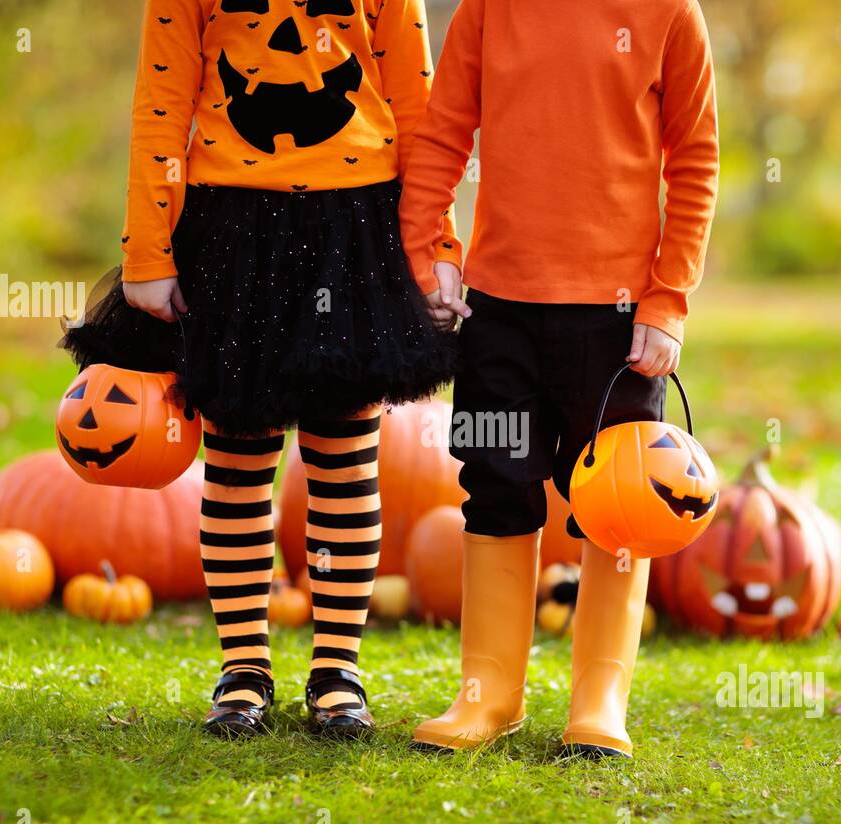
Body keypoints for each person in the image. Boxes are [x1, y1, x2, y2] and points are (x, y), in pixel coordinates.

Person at [64, 0, 459, 739]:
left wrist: (434, 250)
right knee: (238, 462)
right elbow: (162, 105)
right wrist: (149, 253)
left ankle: (337, 670)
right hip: (231, 232)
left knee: (345, 461)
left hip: (356, 230)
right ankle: (244, 667)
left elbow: (421, 108)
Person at [400, 0, 719, 757]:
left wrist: (668, 299)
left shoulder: (672, 14)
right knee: (495, 483)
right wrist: (428, 248)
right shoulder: (487, 9)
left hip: (619, 325)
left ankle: (600, 700)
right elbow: (442, 131)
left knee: (620, 503)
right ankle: (489, 693)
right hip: (498, 314)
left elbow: (697, 159)